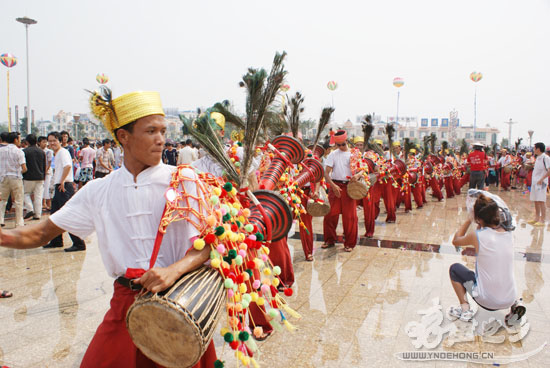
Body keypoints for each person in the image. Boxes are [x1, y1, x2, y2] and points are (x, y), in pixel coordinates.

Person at [0, 89, 217, 367]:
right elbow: (41, 233)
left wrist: (173, 270)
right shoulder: (98, 190)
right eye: (151, 131)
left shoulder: (184, 180)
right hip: (124, 305)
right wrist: (4, 236)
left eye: (163, 130)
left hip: (179, 306)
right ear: (123, 137)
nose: (161, 139)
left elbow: (213, 245)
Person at [449, 194, 525, 324]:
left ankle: (465, 308)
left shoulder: (478, 235)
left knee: (455, 269)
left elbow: (455, 241)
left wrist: (469, 219)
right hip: (510, 297)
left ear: (478, 218)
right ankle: (515, 305)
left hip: (488, 301)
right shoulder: (508, 233)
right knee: (501, 269)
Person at [43, 131, 86, 252]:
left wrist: (62, 181)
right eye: (50, 141)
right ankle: (56, 241)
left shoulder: (63, 152)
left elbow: (68, 166)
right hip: (59, 186)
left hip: (64, 187)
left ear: (60, 141)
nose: (52, 143)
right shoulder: (56, 154)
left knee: (68, 215)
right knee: (55, 215)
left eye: (54, 140)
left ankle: (79, 243)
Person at [322, 130, 360, 252]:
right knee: (330, 215)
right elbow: (326, 173)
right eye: (338, 145)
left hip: (349, 187)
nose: (341, 147)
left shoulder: (354, 154)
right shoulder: (333, 155)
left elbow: (362, 169)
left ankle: (349, 243)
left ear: (347, 141)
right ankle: (329, 240)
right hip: (336, 185)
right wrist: (332, 186)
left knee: (350, 217)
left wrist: (357, 176)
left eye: (343, 144)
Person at [0, 132, 27, 227]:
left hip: (3, 178)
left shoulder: (1, 151)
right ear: (15, 140)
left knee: (2, 200)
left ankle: (1, 220)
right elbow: (24, 168)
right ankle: (19, 222)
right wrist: (20, 171)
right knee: (19, 200)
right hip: (16, 178)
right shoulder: (19, 151)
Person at [22, 134, 46, 220]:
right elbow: (44, 165)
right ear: (36, 141)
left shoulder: (25, 151)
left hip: (28, 177)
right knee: (38, 196)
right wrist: (44, 176)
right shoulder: (41, 152)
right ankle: (37, 214)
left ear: (27, 142)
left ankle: (30, 209)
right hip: (40, 176)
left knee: (25, 193)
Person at [528, 142, 550, 226]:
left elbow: (549, 170)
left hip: (541, 183)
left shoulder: (546, 158)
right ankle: (536, 218)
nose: (534, 150)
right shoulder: (537, 158)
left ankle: (542, 219)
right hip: (535, 182)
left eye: (534, 148)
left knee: (541, 200)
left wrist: (542, 179)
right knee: (536, 200)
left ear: (538, 149)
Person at [39, 136, 54, 211]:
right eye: (43, 142)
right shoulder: (38, 151)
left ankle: (48, 204)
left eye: (46, 142)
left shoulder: (49, 151)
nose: (45, 143)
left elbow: (49, 162)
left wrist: (45, 170)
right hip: (40, 172)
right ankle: (43, 203)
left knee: (47, 187)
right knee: (41, 188)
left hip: (47, 172)